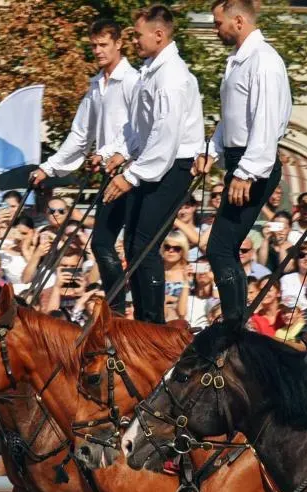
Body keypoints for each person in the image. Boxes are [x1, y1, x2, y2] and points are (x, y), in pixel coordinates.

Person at [189, 0, 291, 325]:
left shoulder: (264, 61)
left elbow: (264, 123)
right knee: (222, 248)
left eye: (218, 23)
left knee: (220, 248)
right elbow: (233, 119)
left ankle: (235, 326)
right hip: (239, 159)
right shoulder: (238, 61)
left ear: (237, 21)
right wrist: (213, 150)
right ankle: (235, 322)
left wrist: (246, 173)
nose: (215, 30)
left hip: (253, 165)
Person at [102, 5, 204, 324]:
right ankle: (144, 318)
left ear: (159, 35)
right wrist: (122, 151)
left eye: (137, 35)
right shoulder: (153, 70)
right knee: (133, 244)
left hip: (171, 168)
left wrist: (130, 176)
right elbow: (141, 128)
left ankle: (153, 322)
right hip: (151, 165)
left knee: (145, 244)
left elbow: (165, 136)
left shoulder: (172, 76)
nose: (133, 40)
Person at [32, 17, 138, 312]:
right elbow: (79, 135)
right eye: (94, 46)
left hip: (135, 174)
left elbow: (138, 129)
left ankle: (140, 309)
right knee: (102, 243)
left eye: (104, 44)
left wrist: (108, 153)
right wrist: (48, 168)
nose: (99, 51)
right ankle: (116, 307)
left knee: (134, 247)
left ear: (119, 43)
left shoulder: (133, 81)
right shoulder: (96, 86)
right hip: (109, 175)